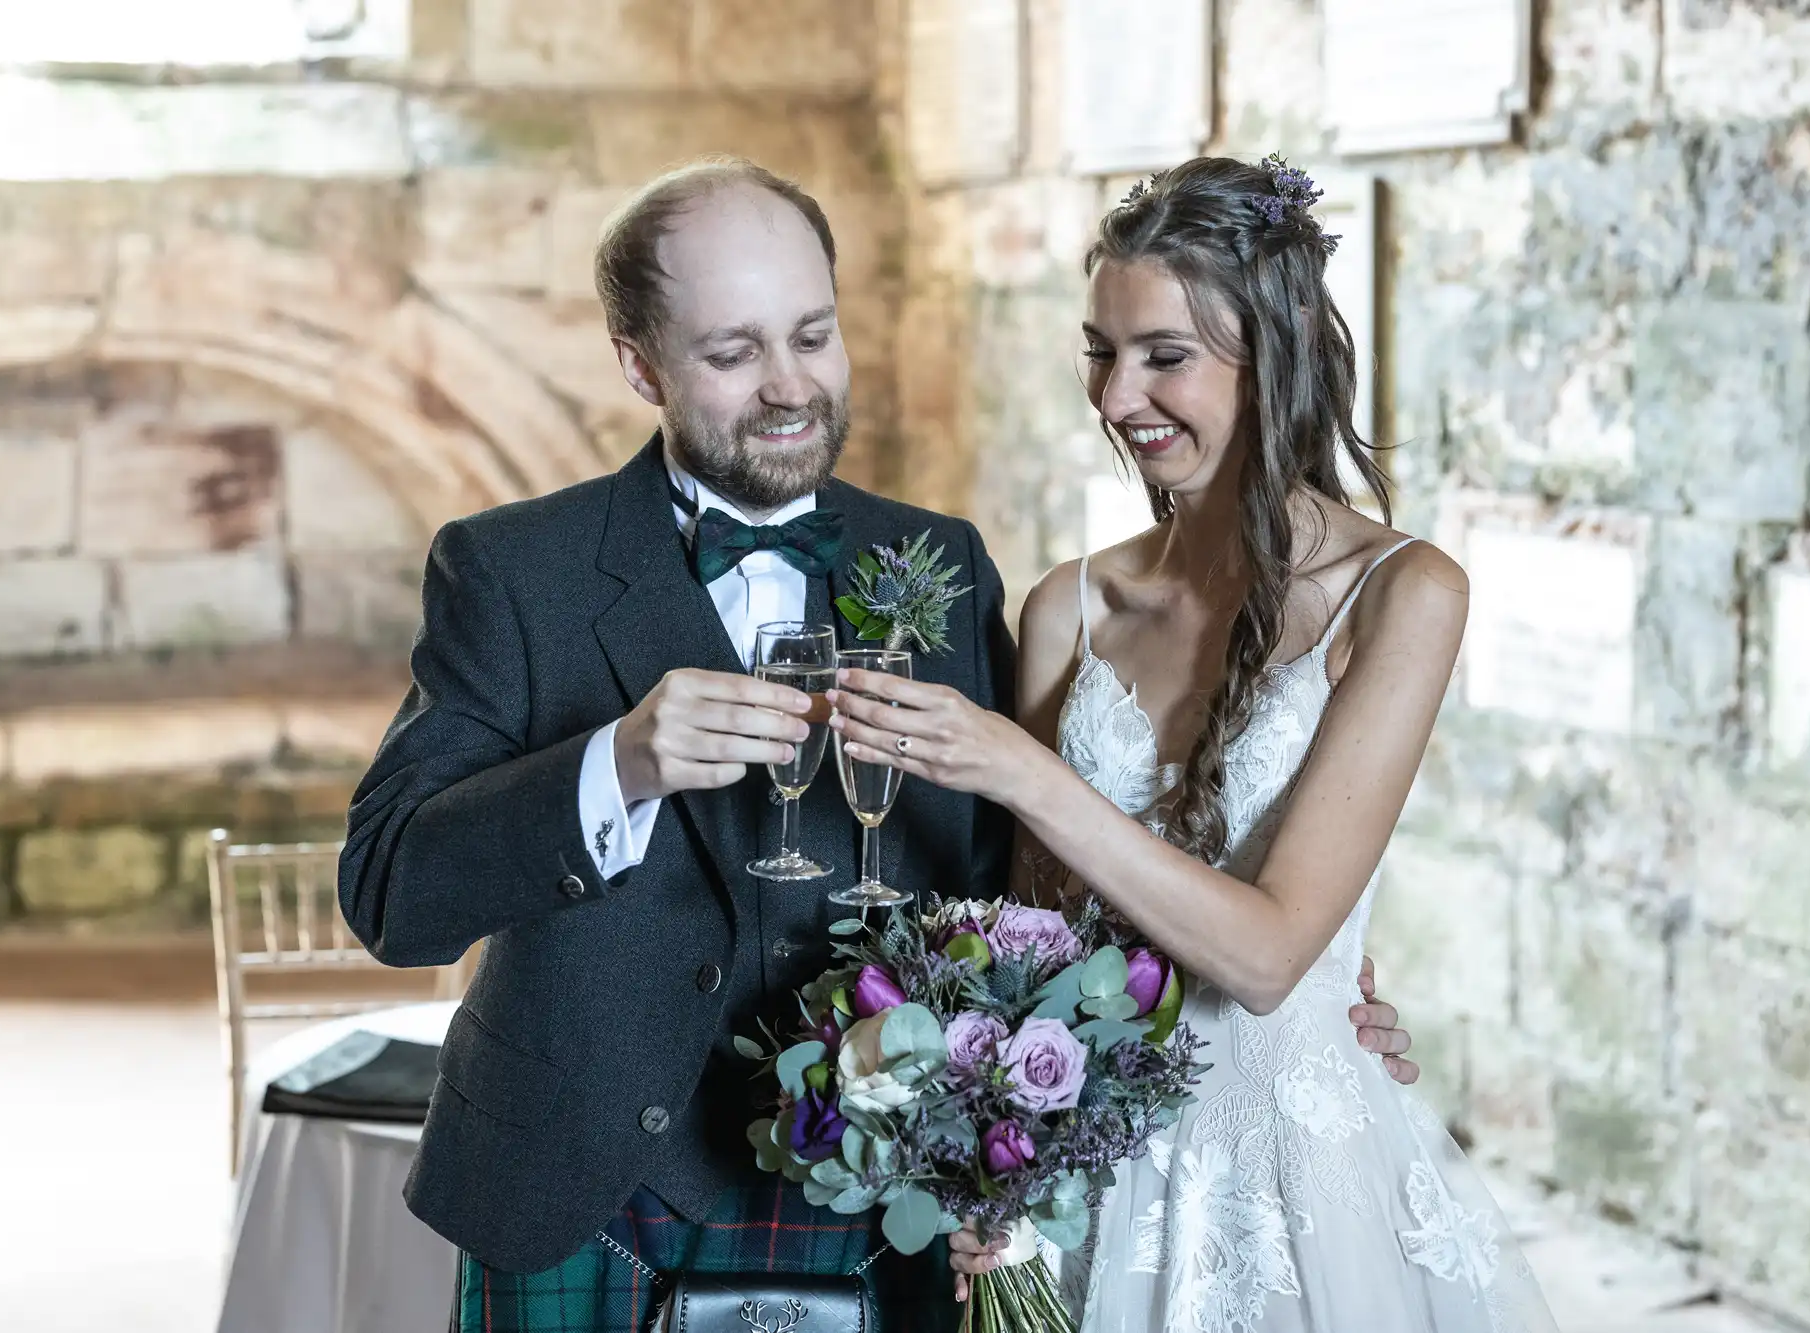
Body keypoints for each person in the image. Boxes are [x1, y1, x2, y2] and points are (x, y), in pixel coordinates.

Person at [339, 155, 1419, 1333]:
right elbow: (392, 896)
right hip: (581, 1188)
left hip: (876, 1205)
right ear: (637, 362)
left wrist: (1316, 989)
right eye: (731, 351)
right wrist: (618, 766)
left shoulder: (942, 567)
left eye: (812, 334)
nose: (789, 386)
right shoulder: (512, 571)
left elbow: (1028, 899)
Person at [828, 156, 1557, 1331]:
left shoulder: (1402, 593)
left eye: (1164, 355)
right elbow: (1028, 947)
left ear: (1276, 356)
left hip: (1288, 1176)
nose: (1118, 398)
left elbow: (1267, 962)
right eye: (1101, 353)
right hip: (1082, 1173)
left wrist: (1021, 770)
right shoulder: (1069, 606)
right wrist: (983, 1157)